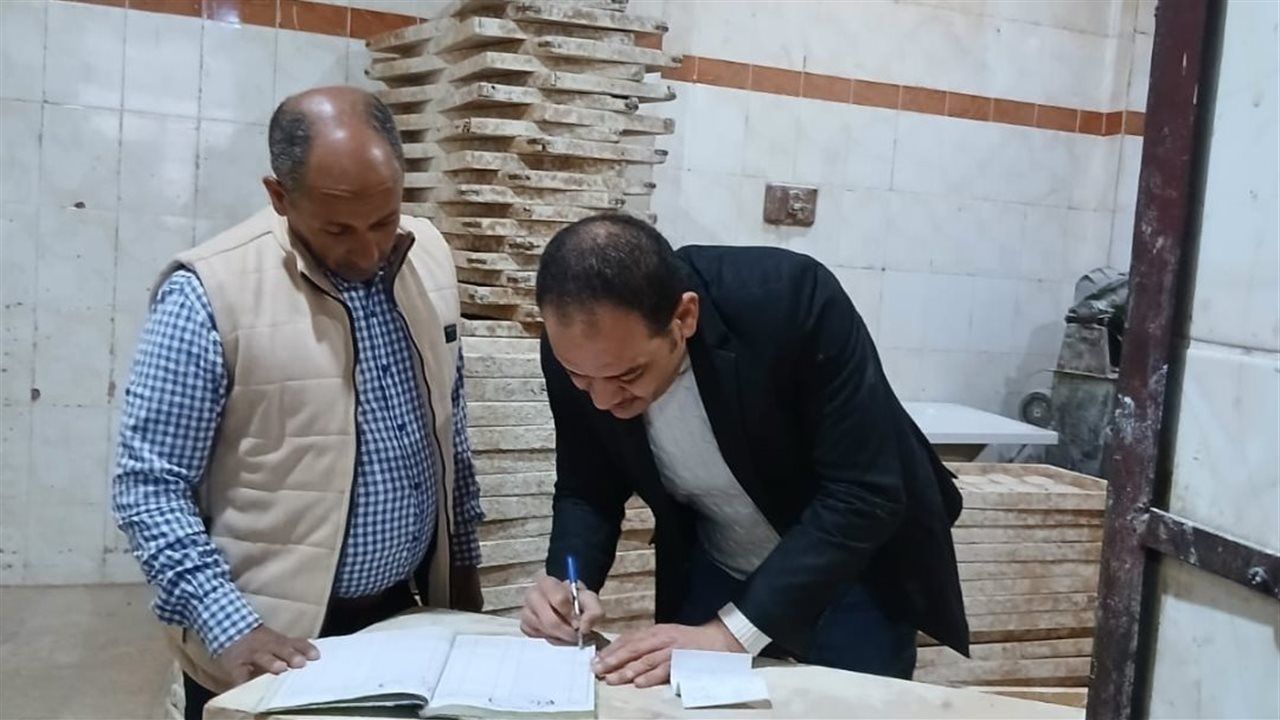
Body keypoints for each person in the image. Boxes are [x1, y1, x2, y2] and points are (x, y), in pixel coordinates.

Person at [111, 87, 484, 719]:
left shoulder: (428, 257)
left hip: (405, 621)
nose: (368, 251)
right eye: (338, 228)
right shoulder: (210, 294)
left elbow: (452, 428)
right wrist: (231, 628)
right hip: (271, 642)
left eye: (384, 220)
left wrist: (464, 569)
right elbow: (149, 485)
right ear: (280, 196)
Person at [518, 214, 969, 686]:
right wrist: (568, 585)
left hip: (849, 567)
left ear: (684, 317)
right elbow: (588, 486)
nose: (602, 400)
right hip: (715, 562)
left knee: (846, 703)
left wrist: (730, 635)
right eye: (580, 378)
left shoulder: (788, 299)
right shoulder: (578, 348)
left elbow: (863, 492)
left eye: (628, 375)